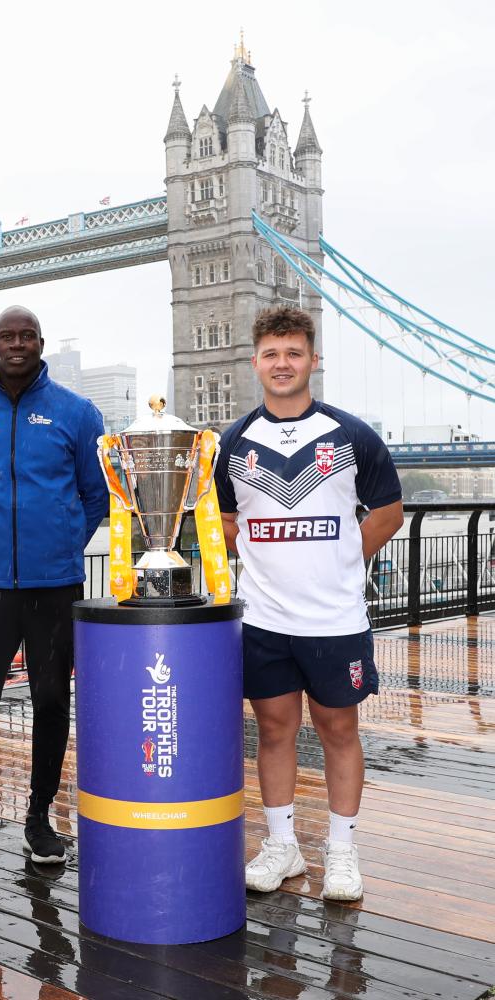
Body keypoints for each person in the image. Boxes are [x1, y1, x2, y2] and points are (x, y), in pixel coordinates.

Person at [215, 306, 403, 901]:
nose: (282, 363)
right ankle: (283, 846)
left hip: (335, 617)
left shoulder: (351, 435)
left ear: (313, 361)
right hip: (265, 617)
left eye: (294, 353)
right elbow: (223, 521)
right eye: (271, 354)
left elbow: (389, 512)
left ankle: (342, 854)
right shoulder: (234, 441)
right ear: (255, 363)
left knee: (338, 730)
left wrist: (348, 560)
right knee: (273, 732)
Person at [0, 305, 109, 864]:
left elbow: (97, 494)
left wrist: (63, 543)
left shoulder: (78, 413)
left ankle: (40, 819)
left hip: (55, 585)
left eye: (26, 336)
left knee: (49, 701)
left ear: (40, 343)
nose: (16, 344)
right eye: (6, 336)